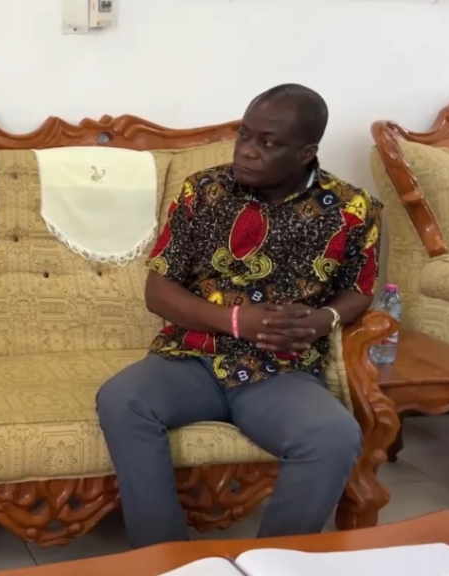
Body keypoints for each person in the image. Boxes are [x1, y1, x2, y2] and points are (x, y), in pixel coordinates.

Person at [96, 84, 383, 548]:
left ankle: (273, 561)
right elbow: (158, 291)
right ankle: (168, 560)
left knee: (332, 437)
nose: (247, 150)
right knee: (122, 399)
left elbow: (359, 291)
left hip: (281, 371)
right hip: (191, 359)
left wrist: (324, 319)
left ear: (306, 152)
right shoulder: (203, 191)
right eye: (244, 135)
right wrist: (233, 321)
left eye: (267, 143)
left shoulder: (352, 209)